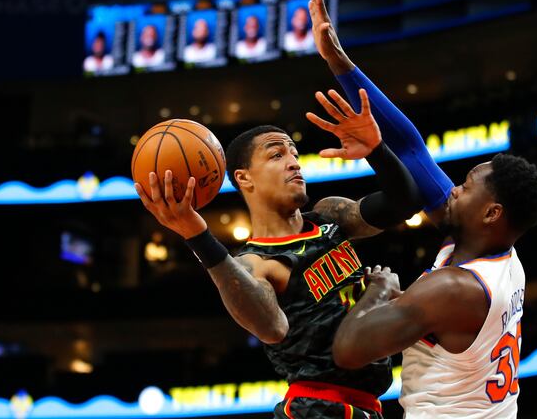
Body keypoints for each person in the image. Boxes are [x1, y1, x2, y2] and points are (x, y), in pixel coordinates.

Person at [307, 0, 537, 417]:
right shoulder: (495, 253)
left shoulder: (454, 289)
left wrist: (379, 290)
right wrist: (337, 60)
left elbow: (349, 350)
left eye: (467, 186)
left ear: (491, 213)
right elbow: (413, 151)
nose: (453, 188)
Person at [135, 89, 424, 418]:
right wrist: (196, 234)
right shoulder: (255, 263)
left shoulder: (329, 216)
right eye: (276, 155)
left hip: (366, 406)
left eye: (294, 154)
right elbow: (272, 328)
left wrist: (376, 150)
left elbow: (406, 202)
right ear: (244, 178)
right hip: (316, 407)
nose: (293, 162)